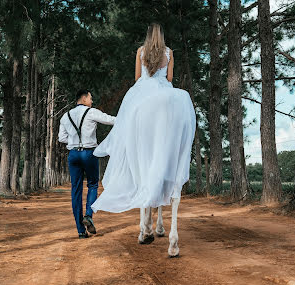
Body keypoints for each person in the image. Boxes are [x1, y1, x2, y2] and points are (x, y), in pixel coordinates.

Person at [91, 23, 196, 213]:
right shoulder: (169, 52)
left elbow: (138, 77)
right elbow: (170, 78)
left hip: (142, 91)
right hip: (165, 91)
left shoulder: (140, 51)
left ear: (147, 35)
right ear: (162, 36)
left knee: (126, 125)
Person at [58, 90, 115, 238]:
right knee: (93, 185)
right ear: (83, 99)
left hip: (73, 154)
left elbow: (61, 138)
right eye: (91, 98)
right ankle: (88, 216)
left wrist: (74, 140)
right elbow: (111, 120)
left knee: (75, 190)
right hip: (89, 153)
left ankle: (80, 231)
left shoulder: (65, 116)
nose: (92, 101)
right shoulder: (91, 112)